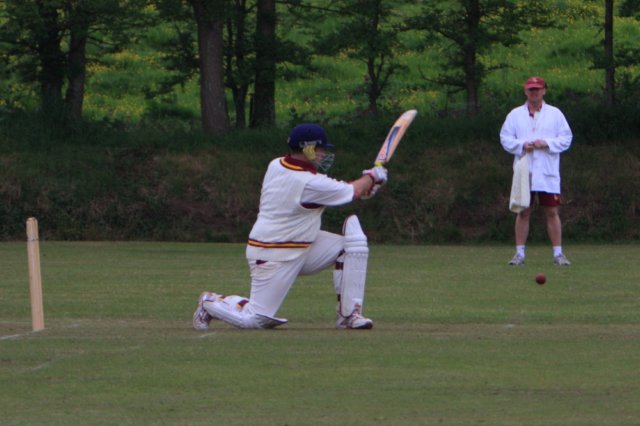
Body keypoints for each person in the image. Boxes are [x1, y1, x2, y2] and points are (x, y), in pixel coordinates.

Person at [192, 123, 387, 330]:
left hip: (303, 245)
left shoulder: (276, 165)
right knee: (255, 319)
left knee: (351, 246)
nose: (324, 154)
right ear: (308, 149)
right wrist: (372, 177)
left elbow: (350, 191)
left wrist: (368, 184)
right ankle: (210, 302)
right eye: (320, 148)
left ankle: (349, 315)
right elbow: (353, 191)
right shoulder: (308, 182)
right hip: (273, 254)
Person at [500, 76, 573, 266]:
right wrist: (522, 145)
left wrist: (546, 143)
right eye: (531, 89)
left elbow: (566, 138)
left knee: (552, 212)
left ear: (544, 91)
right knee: (523, 211)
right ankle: (519, 254)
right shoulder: (515, 115)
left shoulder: (555, 114)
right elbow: (505, 138)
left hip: (547, 171)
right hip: (524, 170)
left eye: (537, 89)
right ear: (526, 91)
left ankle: (558, 254)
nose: (534, 92)